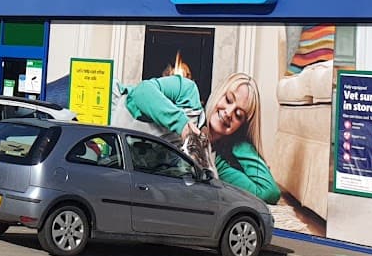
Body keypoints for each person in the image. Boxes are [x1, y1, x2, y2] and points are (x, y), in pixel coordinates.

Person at [115, 71, 280, 204]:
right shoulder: (187, 94)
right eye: (228, 99)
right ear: (219, 93)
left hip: (109, 156)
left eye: (238, 115)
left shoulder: (215, 165)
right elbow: (142, 91)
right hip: (105, 103)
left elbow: (268, 191)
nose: (229, 112)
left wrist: (240, 140)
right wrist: (184, 126)